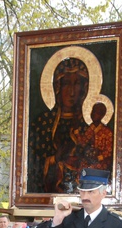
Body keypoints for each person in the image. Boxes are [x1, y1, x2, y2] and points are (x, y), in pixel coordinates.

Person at [27, 58, 91, 194]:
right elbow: (33, 166)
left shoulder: (88, 127)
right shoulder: (42, 124)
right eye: (66, 84)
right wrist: (54, 160)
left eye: (77, 84)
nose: (72, 92)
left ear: (84, 88)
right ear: (57, 87)